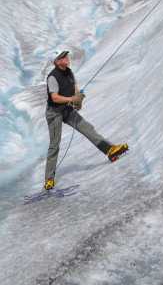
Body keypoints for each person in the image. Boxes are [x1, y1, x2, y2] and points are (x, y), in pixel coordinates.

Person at [44, 50, 128, 191]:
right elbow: (55, 98)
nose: (66, 57)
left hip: (67, 109)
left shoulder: (69, 72)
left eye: (66, 55)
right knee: (54, 144)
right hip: (54, 113)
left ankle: (110, 151)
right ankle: (48, 179)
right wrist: (73, 99)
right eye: (62, 57)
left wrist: (78, 100)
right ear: (57, 62)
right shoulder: (52, 77)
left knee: (87, 128)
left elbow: (75, 90)